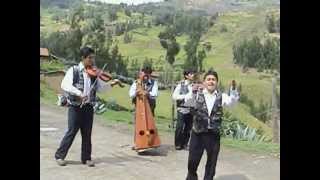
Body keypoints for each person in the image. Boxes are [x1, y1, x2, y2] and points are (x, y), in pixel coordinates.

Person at [54, 47, 120, 167]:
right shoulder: (73, 70)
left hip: (88, 107)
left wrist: (111, 84)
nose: (92, 60)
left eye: (93, 58)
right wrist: (79, 94)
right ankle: (60, 156)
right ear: (83, 58)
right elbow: (65, 85)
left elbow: (101, 88)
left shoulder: (94, 73)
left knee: (87, 133)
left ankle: (86, 158)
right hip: (75, 107)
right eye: (90, 58)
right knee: (71, 131)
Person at [183, 70, 239, 180]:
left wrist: (232, 90)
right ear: (204, 82)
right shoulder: (197, 93)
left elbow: (232, 103)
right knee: (192, 162)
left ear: (217, 82)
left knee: (211, 164)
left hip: (213, 135)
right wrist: (193, 92)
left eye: (213, 80)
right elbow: (187, 102)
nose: (211, 82)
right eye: (208, 79)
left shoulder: (221, 96)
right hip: (198, 133)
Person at [172, 69, 194, 150]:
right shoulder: (180, 85)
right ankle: (177, 144)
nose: (193, 75)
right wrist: (185, 96)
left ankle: (184, 144)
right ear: (186, 76)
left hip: (191, 109)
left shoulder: (194, 85)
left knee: (188, 128)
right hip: (181, 108)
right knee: (179, 127)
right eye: (191, 73)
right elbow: (174, 96)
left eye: (193, 74)